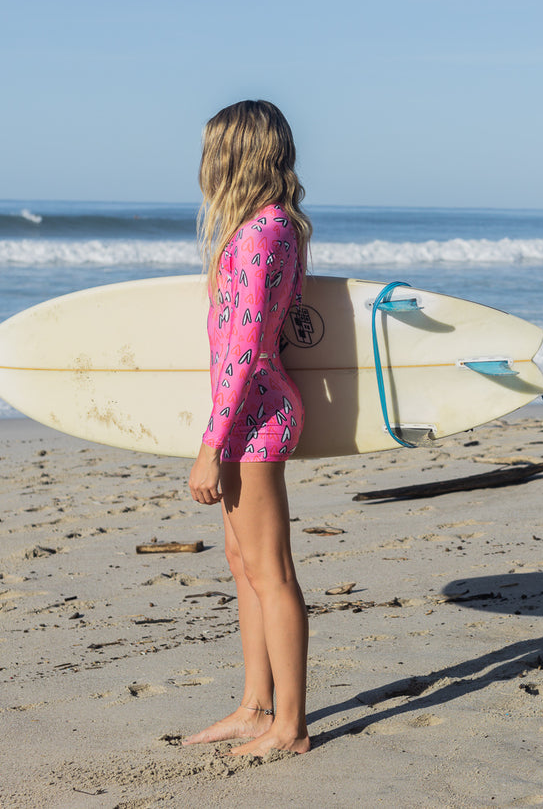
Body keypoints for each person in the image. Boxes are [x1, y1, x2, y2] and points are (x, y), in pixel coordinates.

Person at [182, 99, 313, 758]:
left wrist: (211, 446)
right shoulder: (260, 229)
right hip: (243, 417)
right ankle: (253, 705)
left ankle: (289, 726)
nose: (203, 163)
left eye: (212, 150)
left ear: (235, 155)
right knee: (244, 565)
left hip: (255, 419)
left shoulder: (262, 234)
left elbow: (245, 351)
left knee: (272, 571)